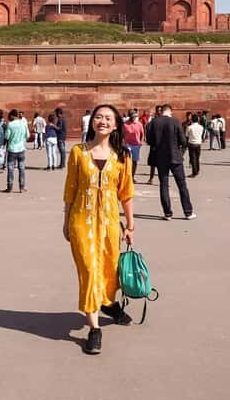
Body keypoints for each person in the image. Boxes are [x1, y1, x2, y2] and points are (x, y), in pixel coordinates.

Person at [62, 103, 135, 355]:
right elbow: (70, 189)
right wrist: (65, 220)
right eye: (98, 117)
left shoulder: (122, 156)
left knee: (109, 268)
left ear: (115, 125)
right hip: (81, 221)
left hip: (110, 223)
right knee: (89, 271)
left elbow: (126, 193)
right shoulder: (78, 152)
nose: (102, 121)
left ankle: (108, 303)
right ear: (92, 122)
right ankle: (94, 329)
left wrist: (130, 225)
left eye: (107, 118)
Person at [146, 104, 195, 220]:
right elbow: (183, 141)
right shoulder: (175, 122)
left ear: (161, 111)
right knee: (182, 185)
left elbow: (149, 141)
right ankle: (188, 212)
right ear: (170, 112)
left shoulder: (153, 123)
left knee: (164, 185)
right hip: (175, 157)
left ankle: (167, 213)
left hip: (160, 158)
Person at [4, 109, 29, 193]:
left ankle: (9, 187)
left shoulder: (10, 124)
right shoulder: (23, 123)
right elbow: (27, 135)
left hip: (12, 149)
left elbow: (7, 137)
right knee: (21, 168)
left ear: (12, 116)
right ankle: (22, 187)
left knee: (11, 168)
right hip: (21, 148)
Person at [123, 110, 144, 178]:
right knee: (127, 161)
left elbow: (142, 134)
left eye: (136, 116)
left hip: (136, 145)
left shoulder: (139, 124)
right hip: (128, 145)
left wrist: (141, 142)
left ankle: (132, 177)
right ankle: (127, 177)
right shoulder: (125, 124)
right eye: (134, 116)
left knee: (134, 162)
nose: (135, 118)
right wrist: (123, 143)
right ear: (130, 117)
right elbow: (122, 134)